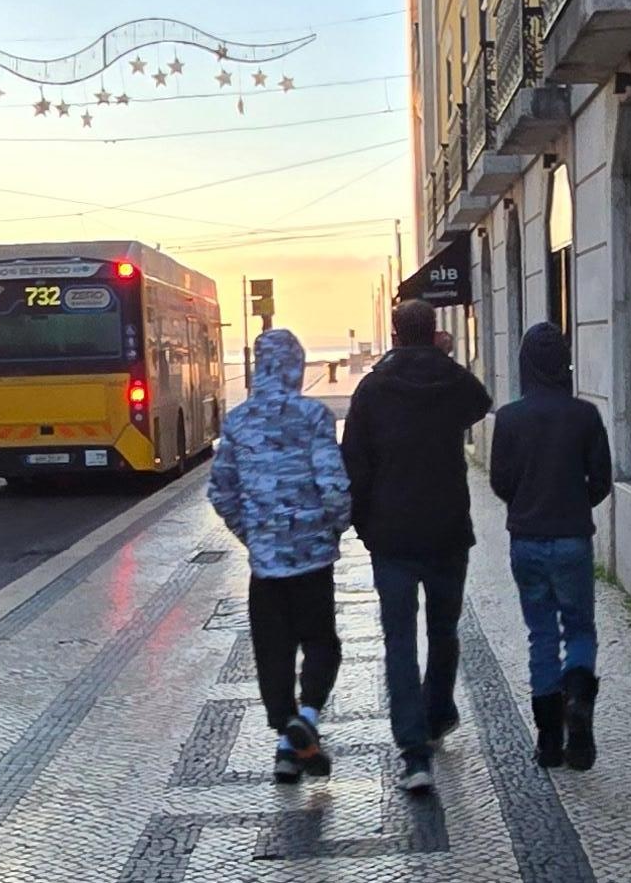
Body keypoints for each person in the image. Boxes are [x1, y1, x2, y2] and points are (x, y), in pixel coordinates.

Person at [341, 300, 492, 793]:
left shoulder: (373, 388)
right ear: (433, 333)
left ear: (394, 333)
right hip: (447, 530)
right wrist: (442, 358)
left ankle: (413, 750)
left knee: (399, 640)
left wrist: (364, 526)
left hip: (392, 535)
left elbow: (354, 464)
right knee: (444, 630)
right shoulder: (450, 381)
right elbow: (481, 401)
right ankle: (438, 711)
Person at [205, 321, 354, 782]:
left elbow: (220, 491)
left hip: (265, 566)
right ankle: (305, 719)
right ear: (295, 368)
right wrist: (334, 527)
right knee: (321, 643)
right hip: (312, 559)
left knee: (273, 652)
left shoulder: (238, 421)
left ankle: (285, 747)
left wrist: (252, 534)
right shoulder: (313, 416)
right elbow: (333, 483)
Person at [486, 319, 614, 768]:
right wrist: (574, 501)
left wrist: (527, 502)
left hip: (527, 540)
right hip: (573, 538)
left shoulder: (509, 418)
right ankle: (578, 698)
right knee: (579, 628)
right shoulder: (585, 415)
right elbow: (602, 480)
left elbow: (499, 481)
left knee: (541, 634)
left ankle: (548, 741)